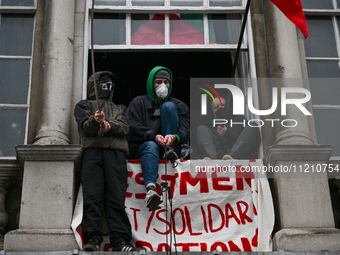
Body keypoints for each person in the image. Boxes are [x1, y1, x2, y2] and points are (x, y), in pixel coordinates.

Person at [74, 71, 144, 252]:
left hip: (115, 155)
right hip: (92, 155)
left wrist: (110, 126)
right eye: (103, 82)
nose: (108, 85)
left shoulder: (120, 107)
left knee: (116, 198)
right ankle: (93, 239)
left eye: (110, 82)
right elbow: (86, 128)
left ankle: (121, 241)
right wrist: (95, 121)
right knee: (93, 197)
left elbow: (125, 127)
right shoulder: (83, 106)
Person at [127, 66, 189, 211]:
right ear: (150, 83)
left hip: (171, 149)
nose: (162, 85)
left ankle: (170, 149)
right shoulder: (138, 103)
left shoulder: (179, 105)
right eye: (158, 81)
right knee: (150, 145)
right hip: (146, 149)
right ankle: (151, 191)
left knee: (168, 106)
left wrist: (175, 137)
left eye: (166, 82)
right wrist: (153, 136)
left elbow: (187, 130)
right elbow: (131, 126)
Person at [196, 92, 260, 160]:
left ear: (228, 106)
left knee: (253, 125)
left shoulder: (239, 119)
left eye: (222, 105)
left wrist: (227, 133)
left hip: (238, 156)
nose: (220, 108)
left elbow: (246, 138)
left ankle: (230, 156)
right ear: (212, 112)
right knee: (201, 129)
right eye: (216, 107)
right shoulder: (210, 127)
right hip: (218, 157)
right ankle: (212, 159)